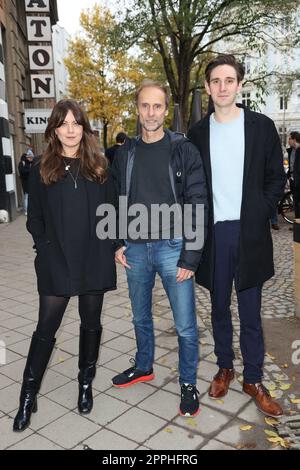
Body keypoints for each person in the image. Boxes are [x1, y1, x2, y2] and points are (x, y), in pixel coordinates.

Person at [188, 54, 286, 418]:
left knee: (250, 311)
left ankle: (255, 379)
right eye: (216, 81)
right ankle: (225, 367)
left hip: (249, 233)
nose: (223, 87)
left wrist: (260, 210)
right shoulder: (198, 133)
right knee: (217, 308)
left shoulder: (261, 127)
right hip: (215, 235)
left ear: (240, 85)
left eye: (229, 80)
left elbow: (276, 177)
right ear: (209, 87)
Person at [13, 99, 116, 432]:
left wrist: (115, 246)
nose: (70, 129)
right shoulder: (44, 168)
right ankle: (28, 395)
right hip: (56, 260)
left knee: (91, 324)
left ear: (84, 128)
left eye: (76, 123)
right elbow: (36, 219)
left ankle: (85, 383)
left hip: (93, 258)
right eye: (63, 123)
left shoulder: (99, 166)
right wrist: (44, 250)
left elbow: (112, 211)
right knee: (46, 329)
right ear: (54, 129)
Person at [112, 80, 208, 417]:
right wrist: (118, 241)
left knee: (184, 324)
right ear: (137, 109)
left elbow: (197, 202)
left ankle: (187, 382)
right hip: (136, 249)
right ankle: (143, 366)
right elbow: (117, 198)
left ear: (165, 110)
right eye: (144, 106)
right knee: (140, 316)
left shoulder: (184, 149)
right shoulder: (126, 153)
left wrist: (191, 257)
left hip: (173, 248)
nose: (150, 113)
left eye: (157, 106)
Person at [18, 149, 34, 215]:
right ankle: (27, 210)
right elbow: (22, 171)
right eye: (30, 157)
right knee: (27, 197)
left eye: (32, 157)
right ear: (27, 157)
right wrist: (31, 170)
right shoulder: (22, 163)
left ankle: (32, 209)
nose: (31, 159)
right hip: (26, 182)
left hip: (33, 182)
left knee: (32, 196)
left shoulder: (33, 163)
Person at [291, 132, 300, 218]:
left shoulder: (298, 151)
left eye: (290, 139)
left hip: (298, 182)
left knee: (297, 203)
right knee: (296, 203)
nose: (289, 141)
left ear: (294, 140)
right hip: (296, 181)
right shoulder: (295, 151)